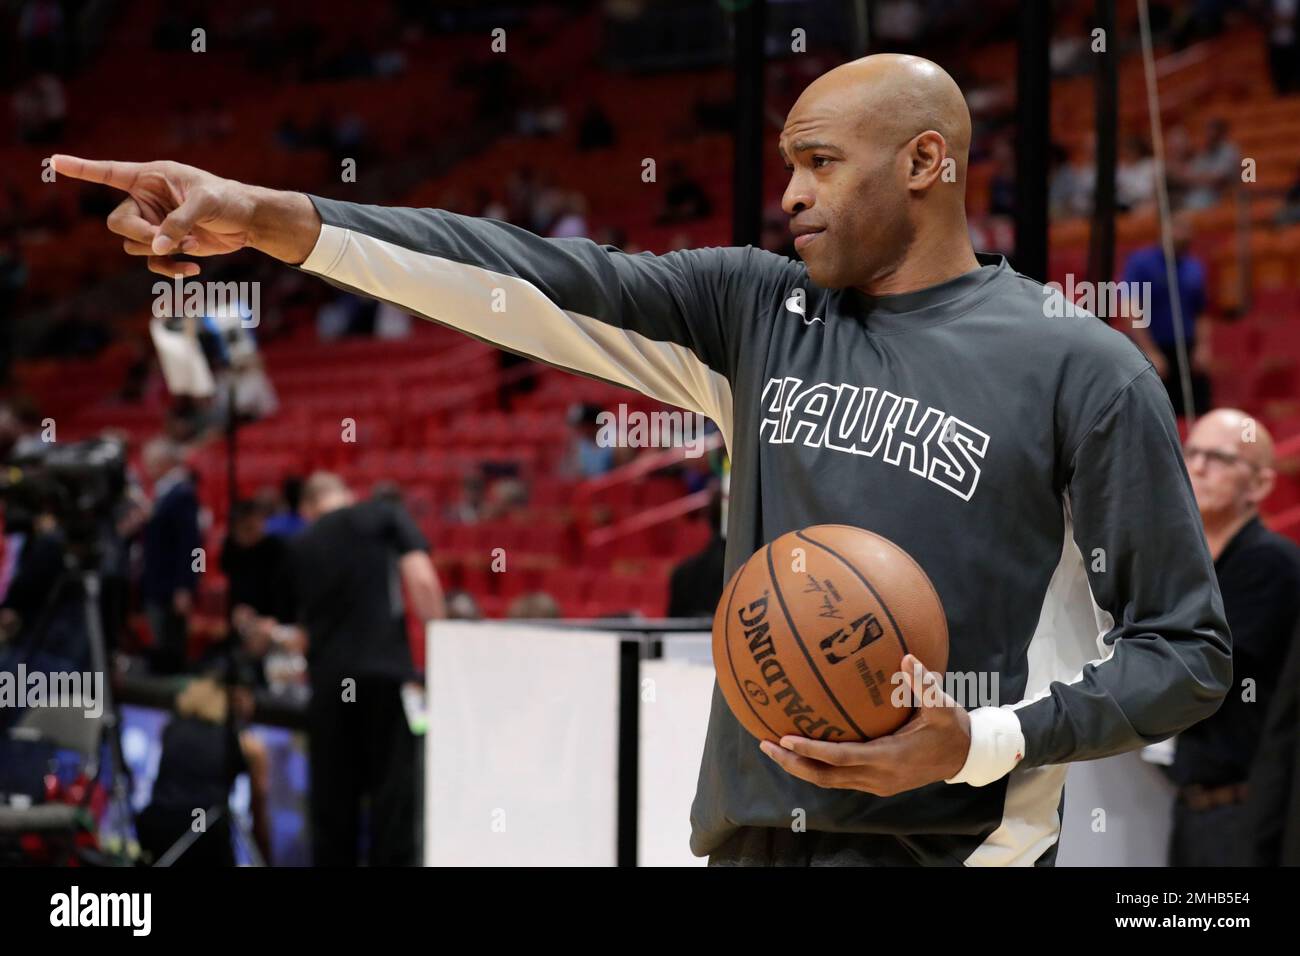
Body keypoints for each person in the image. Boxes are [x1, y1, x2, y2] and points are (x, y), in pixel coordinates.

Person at [52, 52, 1232, 867]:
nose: (790, 195)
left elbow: (1187, 650)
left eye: (820, 163)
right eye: (786, 163)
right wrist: (264, 217)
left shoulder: (1077, 364)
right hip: (749, 830)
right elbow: (522, 275)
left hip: (957, 843)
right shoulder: (757, 315)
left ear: (926, 162)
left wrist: (981, 739)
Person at [242, 472, 444, 866]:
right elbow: (422, 581)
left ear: (306, 509)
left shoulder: (298, 545)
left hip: (330, 687)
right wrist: (445, 654)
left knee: (334, 811)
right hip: (385, 679)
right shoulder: (383, 514)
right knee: (393, 806)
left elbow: (296, 635)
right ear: (346, 495)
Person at [1168, 409, 1300, 865]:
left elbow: (1205, 671)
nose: (1198, 467)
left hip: (1243, 812)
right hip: (1193, 803)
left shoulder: (1271, 564)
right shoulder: (1195, 565)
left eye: (1220, 458)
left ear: (1261, 485)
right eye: (1192, 452)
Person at [1121, 211, 1211, 417]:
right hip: (1153, 348)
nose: (1184, 233)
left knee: (1197, 409)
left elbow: (1201, 312)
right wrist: (1149, 350)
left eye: (1187, 227)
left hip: (1187, 348)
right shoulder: (1140, 263)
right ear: (1164, 229)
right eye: (1178, 227)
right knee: (1157, 413)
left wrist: (1203, 347)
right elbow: (1130, 308)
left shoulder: (1195, 267)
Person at [139, 437, 200, 675]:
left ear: (164, 462)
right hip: (157, 580)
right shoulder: (163, 493)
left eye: (150, 462)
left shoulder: (181, 493)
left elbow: (190, 544)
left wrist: (185, 586)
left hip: (170, 584)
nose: (146, 468)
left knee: (171, 644)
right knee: (162, 641)